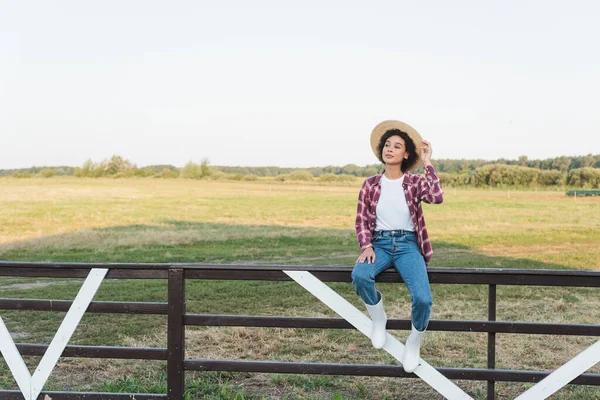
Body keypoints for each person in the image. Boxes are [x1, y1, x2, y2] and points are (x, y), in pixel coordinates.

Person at [351, 120, 444, 373]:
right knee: (359, 275)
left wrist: (428, 163)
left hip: (408, 245)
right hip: (379, 243)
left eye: (397, 146)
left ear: (406, 154)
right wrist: (367, 245)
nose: (390, 149)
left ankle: (414, 342)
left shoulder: (414, 183)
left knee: (423, 299)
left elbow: (436, 197)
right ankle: (379, 319)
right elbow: (361, 218)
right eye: (387, 145)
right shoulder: (370, 184)